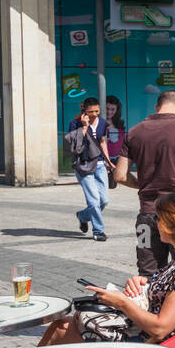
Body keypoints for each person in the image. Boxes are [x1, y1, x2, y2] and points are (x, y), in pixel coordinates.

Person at [40, 190, 175, 345]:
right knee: (62, 325)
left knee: (62, 330)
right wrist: (145, 284)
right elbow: (172, 291)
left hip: (156, 343)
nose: (155, 222)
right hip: (151, 332)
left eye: (158, 218)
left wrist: (121, 302)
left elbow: (161, 328)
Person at [114, 90, 175, 276]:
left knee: (146, 272)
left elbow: (120, 175)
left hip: (146, 215)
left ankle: (148, 304)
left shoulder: (134, 132)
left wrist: (141, 184)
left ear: (157, 107)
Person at [65, 96, 113, 242]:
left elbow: (102, 142)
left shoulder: (103, 123)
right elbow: (75, 146)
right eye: (91, 111)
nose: (94, 114)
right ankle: (98, 230)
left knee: (103, 200)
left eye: (97, 111)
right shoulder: (75, 123)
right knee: (93, 201)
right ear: (84, 110)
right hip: (83, 165)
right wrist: (84, 127)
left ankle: (83, 216)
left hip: (99, 165)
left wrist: (108, 161)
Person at [103, 95, 126, 161]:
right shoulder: (98, 123)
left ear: (117, 110)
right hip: (104, 160)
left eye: (112, 109)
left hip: (118, 159)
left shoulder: (120, 124)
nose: (109, 112)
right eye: (107, 108)